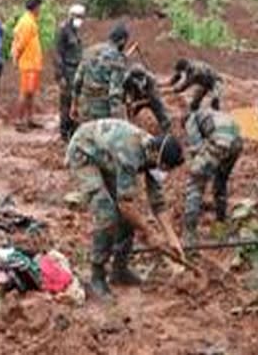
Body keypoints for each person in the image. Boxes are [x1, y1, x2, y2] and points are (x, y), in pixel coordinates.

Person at [66, 119, 184, 298]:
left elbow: (158, 202)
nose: (164, 171)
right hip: (84, 153)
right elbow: (125, 204)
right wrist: (150, 232)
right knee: (107, 215)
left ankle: (119, 271)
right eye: (164, 167)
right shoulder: (131, 154)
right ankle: (97, 276)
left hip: (107, 156)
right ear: (157, 158)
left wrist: (172, 238)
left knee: (128, 218)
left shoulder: (154, 154)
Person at [183, 109, 243, 243]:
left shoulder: (190, 120)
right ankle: (220, 227)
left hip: (220, 142)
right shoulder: (212, 114)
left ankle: (189, 236)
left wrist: (195, 165)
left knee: (195, 182)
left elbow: (196, 147)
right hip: (237, 143)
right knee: (220, 182)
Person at [70, 23, 129, 124]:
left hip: (85, 109)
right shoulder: (117, 58)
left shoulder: (89, 51)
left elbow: (77, 80)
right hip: (103, 112)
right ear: (122, 41)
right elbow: (115, 93)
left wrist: (74, 105)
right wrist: (119, 121)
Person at [12, 0, 43, 131]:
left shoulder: (30, 20)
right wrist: (16, 57)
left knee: (31, 93)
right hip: (28, 63)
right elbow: (21, 43)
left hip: (33, 63)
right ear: (35, 7)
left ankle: (30, 119)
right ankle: (19, 121)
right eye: (39, 7)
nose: (40, 10)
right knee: (25, 92)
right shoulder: (26, 22)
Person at [55, 4, 85, 141]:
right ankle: (64, 131)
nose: (80, 20)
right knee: (66, 101)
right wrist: (60, 76)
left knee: (75, 100)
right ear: (71, 16)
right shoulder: (63, 31)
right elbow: (58, 55)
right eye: (78, 17)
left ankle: (73, 129)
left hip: (76, 70)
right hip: (67, 70)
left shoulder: (75, 31)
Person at [123, 63, 172, 133]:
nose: (140, 81)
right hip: (136, 97)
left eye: (141, 78)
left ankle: (166, 126)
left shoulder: (151, 80)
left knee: (158, 105)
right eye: (137, 79)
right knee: (128, 110)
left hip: (149, 98)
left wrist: (137, 103)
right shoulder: (127, 80)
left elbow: (152, 98)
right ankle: (128, 127)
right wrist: (128, 101)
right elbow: (124, 94)